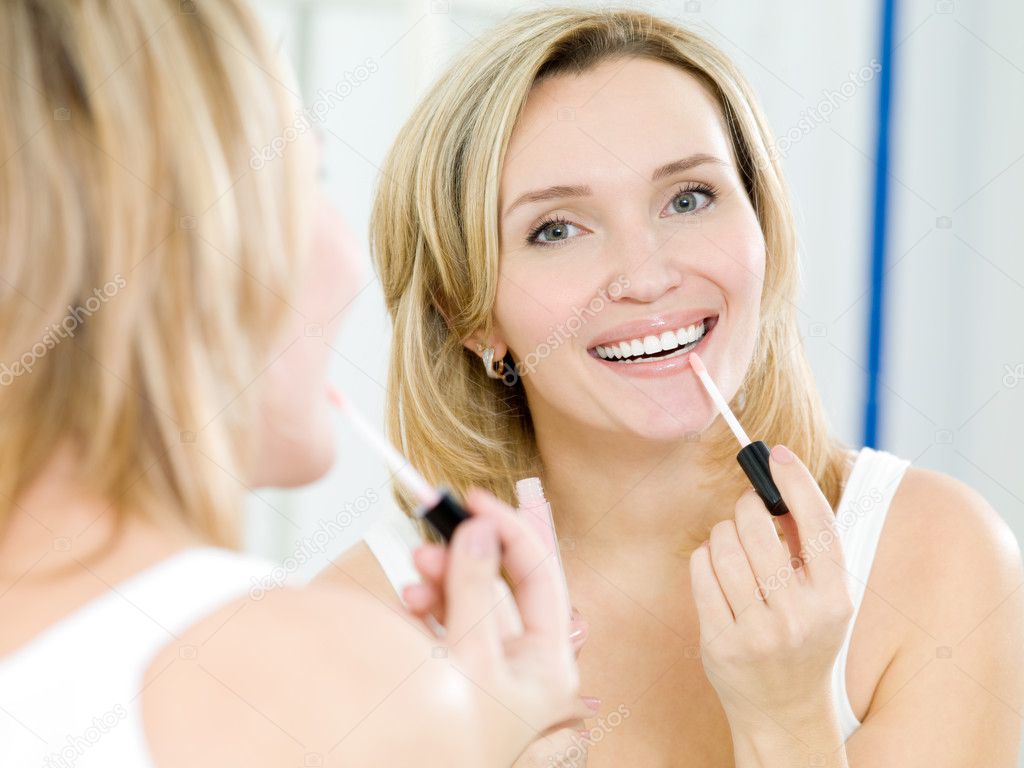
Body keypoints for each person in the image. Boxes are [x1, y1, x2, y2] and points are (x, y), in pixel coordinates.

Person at [335, 7, 1024, 766]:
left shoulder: (935, 558)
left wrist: (787, 720)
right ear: (470, 316)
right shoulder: (361, 628)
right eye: (557, 228)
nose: (648, 275)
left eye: (688, 198)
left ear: (762, 225)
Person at [0, 2, 585, 766]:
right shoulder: (309, 678)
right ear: (180, 250)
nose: (351, 262)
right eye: (309, 182)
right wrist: (484, 735)